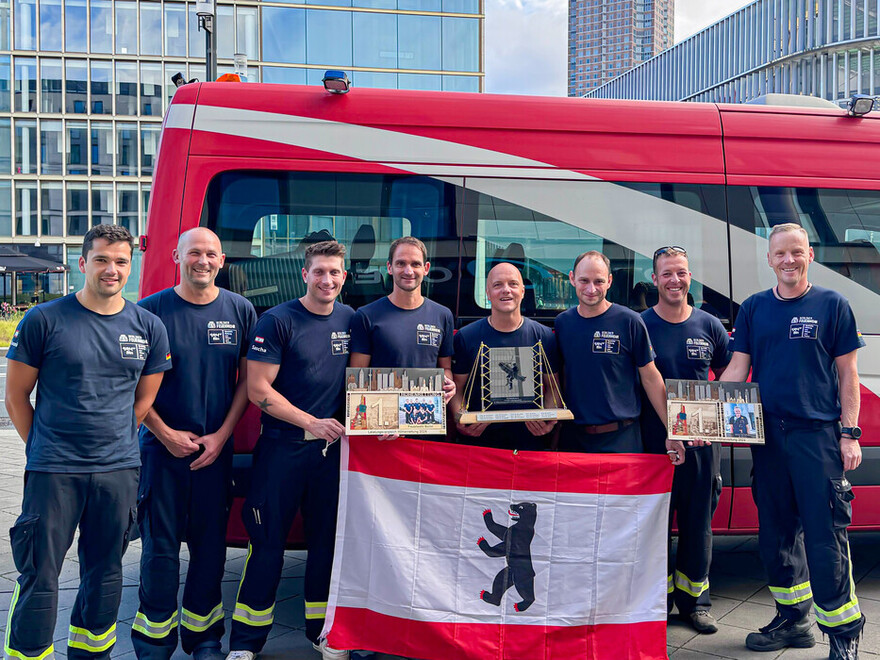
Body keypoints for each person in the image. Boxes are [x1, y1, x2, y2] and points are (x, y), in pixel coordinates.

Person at [4, 224, 171, 660]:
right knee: (40, 573)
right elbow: (16, 395)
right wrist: (41, 445)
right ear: (83, 263)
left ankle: (90, 654)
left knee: (106, 572)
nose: (110, 269)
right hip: (54, 470)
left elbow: (144, 400)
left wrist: (112, 438)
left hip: (117, 470)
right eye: (101, 259)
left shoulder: (148, 326)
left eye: (120, 261)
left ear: (130, 267)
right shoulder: (44, 319)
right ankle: (29, 654)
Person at [721, 223, 865, 658]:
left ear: (809, 256)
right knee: (776, 537)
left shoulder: (833, 304)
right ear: (769, 260)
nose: (788, 260)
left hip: (816, 438)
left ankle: (843, 635)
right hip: (768, 439)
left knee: (825, 539)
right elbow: (736, 370)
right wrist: (698, 419)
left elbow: (848, 375)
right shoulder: (753, 308)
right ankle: (793, 620)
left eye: (796, 252)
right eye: (780, 253)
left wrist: (849, 433)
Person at [132, 228, 256, 660]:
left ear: (222, 261)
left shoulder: (240, 310)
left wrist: (222, 437)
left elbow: (248, 383)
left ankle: (204, 639)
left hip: (213, 453)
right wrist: (164, 434)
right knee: (160, 550)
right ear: (175, 256)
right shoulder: (149, 312)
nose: (202, 261)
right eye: (193, 253)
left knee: (210, 549)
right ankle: (153, 643)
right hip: (160, 452)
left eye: (210, 254)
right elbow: (131, 388)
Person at [226, 240, 354, 660]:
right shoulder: (277, 321)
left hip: (331, 456)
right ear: (305, 274)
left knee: (326, 546)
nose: (327, 279)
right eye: (319, 271)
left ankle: (323, 634)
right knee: (266, 544)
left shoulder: (352, 321)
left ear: (344, 277)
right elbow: (258, 389)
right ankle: (246, 643)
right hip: (282, 451)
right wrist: (310, 423)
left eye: (334, 272)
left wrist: (439, 387)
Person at [640, 246, 731, 635]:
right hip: (652, 445)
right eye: (667, 274)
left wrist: (712, 420)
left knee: (698, 525)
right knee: (653, 526)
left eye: (681, 273)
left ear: (690, 276)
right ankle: (655, 601)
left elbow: (729, 374)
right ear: (655, 279)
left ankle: (696, 604)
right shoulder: (639, 324)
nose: (675, 281)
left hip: (701, 447)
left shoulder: (709, 325)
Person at [555, 250, 685, 462]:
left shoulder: (630, 321)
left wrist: (672, 431)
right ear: (571, 279)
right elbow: (557, 378)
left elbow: (651, 377)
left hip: (622, 439)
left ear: (609, 281)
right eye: (584, 281)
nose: (591, 289)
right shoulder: (563, 323)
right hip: (574, 440)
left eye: (598, 281)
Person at [449, 262, 558, 451]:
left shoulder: (544, 336)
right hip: (480, 444)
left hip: (530, 443)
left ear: (523, 291)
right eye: (498, 285)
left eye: (513, 284)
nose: (506, 290)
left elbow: (553, 389)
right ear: (488, 293)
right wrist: (461, 419)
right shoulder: (467, 337)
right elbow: (457, 388)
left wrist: (549, 419)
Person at [349, 236, 455, 402]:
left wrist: (449, 385)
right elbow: (356, 378)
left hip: (425, 418)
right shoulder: (366, 316)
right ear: (389, 267)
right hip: (380, 421)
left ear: (426, 268)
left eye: (415, 264)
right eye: (401, 263)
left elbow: (445, 368)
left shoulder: (443, 315)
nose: (408, 271)